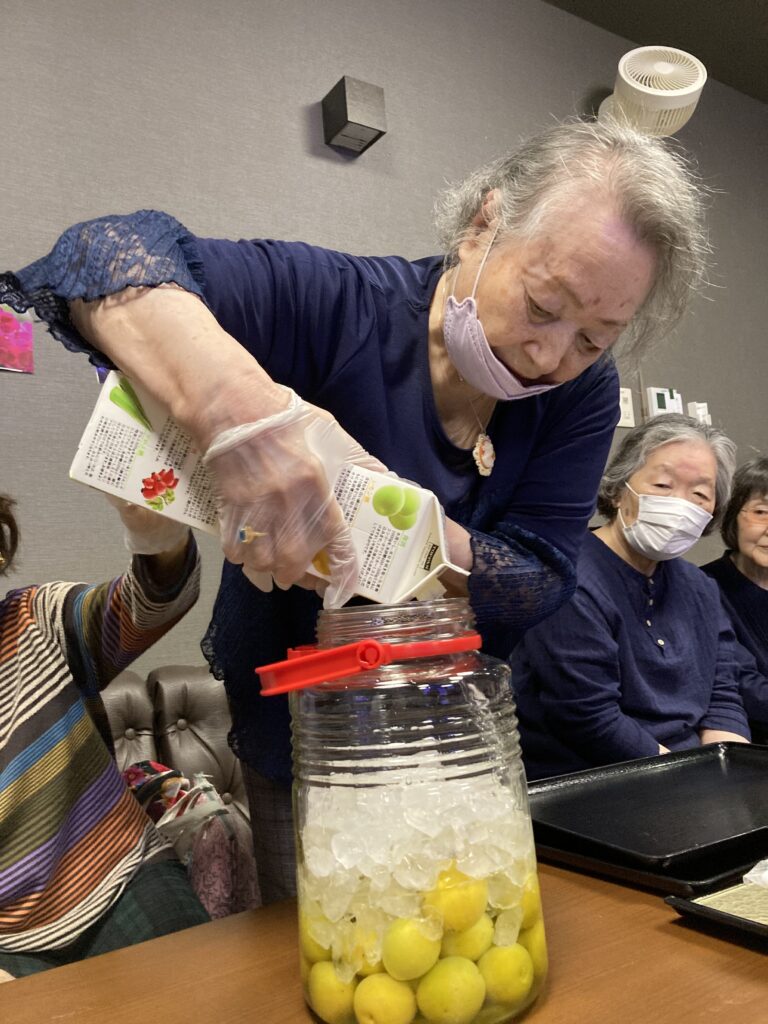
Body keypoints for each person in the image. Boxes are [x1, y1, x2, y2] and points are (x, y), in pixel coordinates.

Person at [0, 119, 709, 900]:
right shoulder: (343, 306)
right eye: (543, 305)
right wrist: (242, 414)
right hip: (303, 727)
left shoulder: (581, 395)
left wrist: (392, 521)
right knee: (319, 939)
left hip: (456, 729)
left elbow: (542, 577)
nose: (550, 358)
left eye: (593, 339)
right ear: (484, 224)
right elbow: (99, 257)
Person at [0, 493, 209, 979]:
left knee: (209, 991)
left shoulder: (35, 618)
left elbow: (150, 603)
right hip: (7, 943)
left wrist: (156, 533)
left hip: (125, 880)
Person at [510, 413, 759, 781]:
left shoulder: (701, 587)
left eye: (700, 494)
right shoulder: (566, 578)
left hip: (690, 773)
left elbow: (722, 694)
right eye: (662, 484)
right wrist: (692, 783)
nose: (680, 504)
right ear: (617, 489)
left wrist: (728, 775)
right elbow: (589, 718)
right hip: (593, 779)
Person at [702, 458, 768, 740]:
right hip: (743, 741)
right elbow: (742, 684)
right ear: (732, 516)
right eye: (761, 512)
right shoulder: (703, 588)